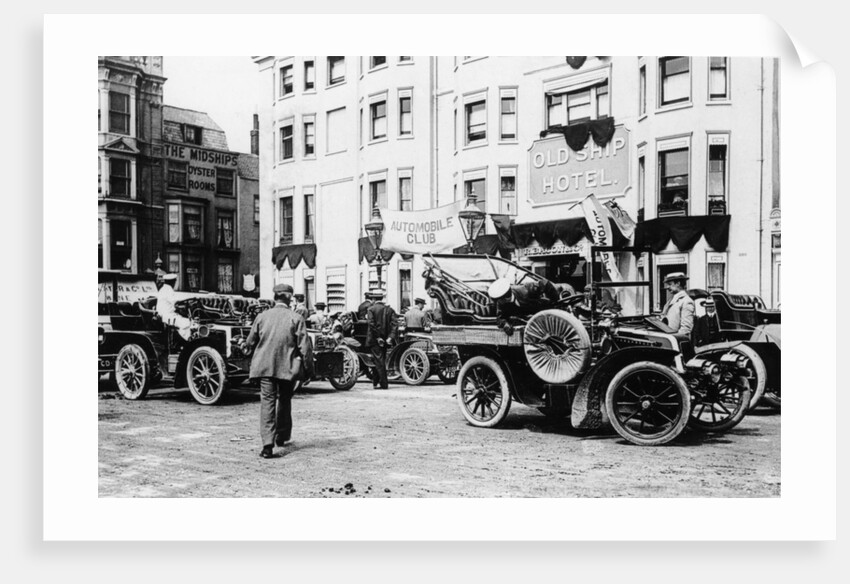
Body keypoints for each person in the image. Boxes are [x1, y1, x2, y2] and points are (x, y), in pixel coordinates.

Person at [245, 283, 311, 459]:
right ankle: (281, 436)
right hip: (287, 368)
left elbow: (250, 342)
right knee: (285, 400)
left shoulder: (262, 316)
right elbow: (305, 348)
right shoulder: (296, 318)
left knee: (267, 402)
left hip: (265, 367)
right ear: (289, 298)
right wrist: (308, 370)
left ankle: (267, 445)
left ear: (275, 297)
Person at [365, 290, 397, 389]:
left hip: (375, 339)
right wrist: (390, 337)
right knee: (379, 359)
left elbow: (371, 325)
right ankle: (375, 382)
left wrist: (378, 337)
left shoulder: (371, 309)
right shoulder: (389, 310)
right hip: (386, 339)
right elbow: (395, 325)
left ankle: (384, 384)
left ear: (374, 299)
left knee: (378, 361)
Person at [155, 273, 192, 341]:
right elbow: (175, 301)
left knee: (185, 321)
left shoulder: (163, 289)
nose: (175, 283)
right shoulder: (168, 289)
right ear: (172, 282)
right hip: (167, 316)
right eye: (175, 281)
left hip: (165, 315)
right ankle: (188, 340)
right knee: (187, 323)